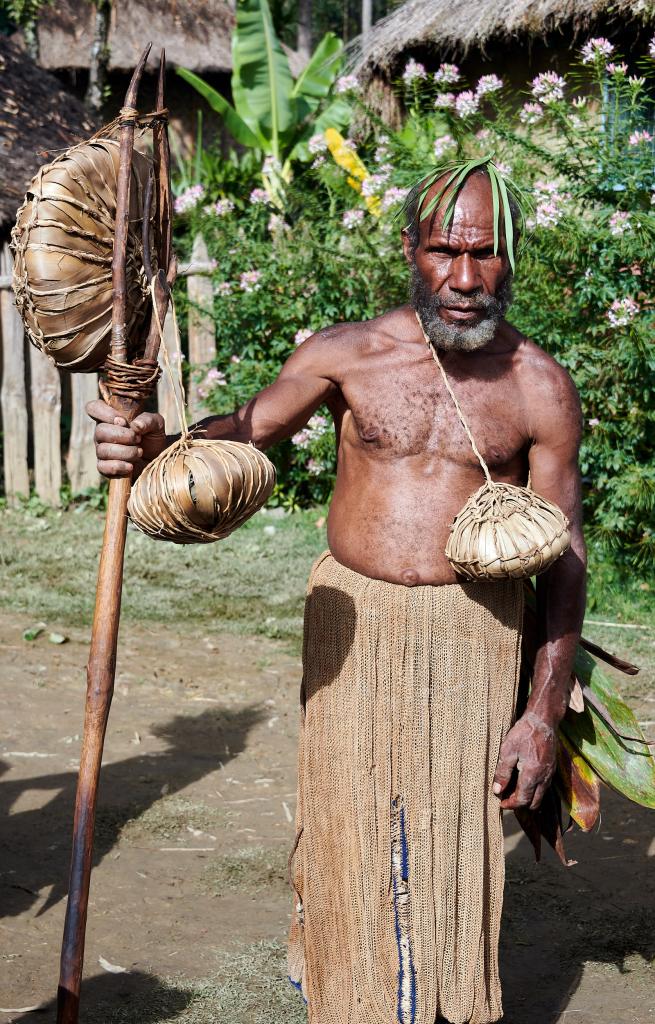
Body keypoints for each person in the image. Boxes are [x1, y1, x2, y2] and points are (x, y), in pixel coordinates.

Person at [88, 165, 586, 1024]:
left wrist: (540, 715)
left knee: (440, 840)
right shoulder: (347, 353)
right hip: (350, 627)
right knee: (349, 818)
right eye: (444, 251)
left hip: (471, 637)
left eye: (485, 254)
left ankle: (420, 1000)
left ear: (511, 259)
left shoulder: (538, 386)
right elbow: (244, 432)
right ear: (409, 250)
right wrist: (149, 442)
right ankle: (345, 981)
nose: (464, 279)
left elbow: (565, 559)